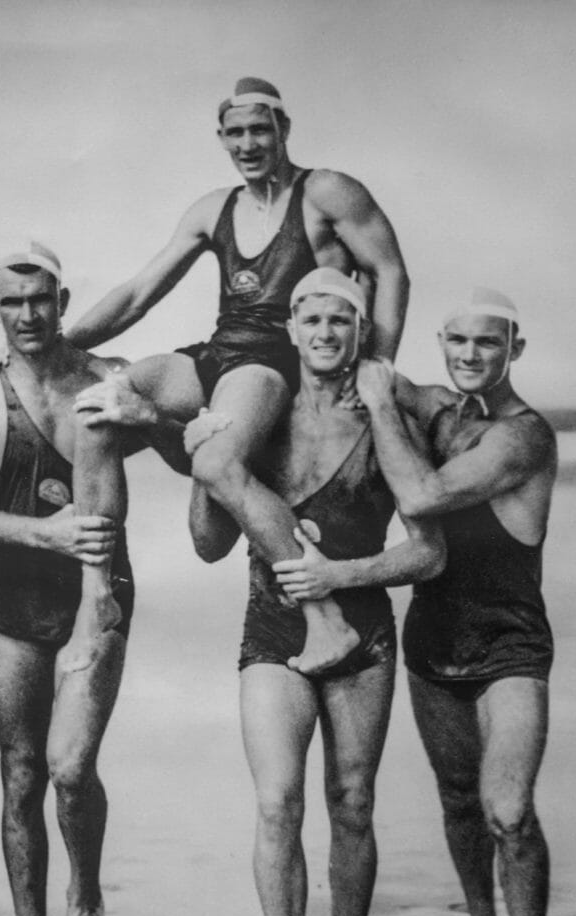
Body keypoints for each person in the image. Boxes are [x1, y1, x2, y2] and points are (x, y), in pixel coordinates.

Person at [68, 76, 408, 675]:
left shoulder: (326, 192)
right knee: (99, 406)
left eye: (260, 129)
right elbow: (139, 293)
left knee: (218, 466)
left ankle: (323, 617)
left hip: (274, 362)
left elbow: (390, 271)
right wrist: (59, 348)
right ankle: (95, 593)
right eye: (235, 133)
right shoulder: (212, 208)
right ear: (221, 138)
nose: (248, 143)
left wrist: (373, 370)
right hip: (220, 351)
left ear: (284, 130)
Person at [188, 268, 444, 916]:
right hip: (271, 627)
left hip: (362, 630)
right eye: (312, 320)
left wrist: (342, 574)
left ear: (360, 331)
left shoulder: (383, 418)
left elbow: (428, 551)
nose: (326, 334)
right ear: (290, 330)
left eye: (341, 321)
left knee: (354, 802)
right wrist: (205, 461)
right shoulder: (255, 417)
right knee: (276, 804)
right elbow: (205, 546)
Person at [0, 242, 186, 916]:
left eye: (39, 299)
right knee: (19, 775)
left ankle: (85, 895)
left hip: (100, 586)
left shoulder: (106, 379)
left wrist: (153, 416)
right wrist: (41, 532)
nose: (26, 315)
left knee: (69, 767)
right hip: (15, 590)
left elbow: (188, 454)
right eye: (10, 302)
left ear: (63, 301)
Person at [355, 288, 561, 916]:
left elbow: (422, 490)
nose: (471, 356)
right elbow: (370, 369)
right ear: (442, 343)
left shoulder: (524, 436)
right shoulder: (441, 407)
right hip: (433, 638)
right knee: (455, 800)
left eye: (488, 344)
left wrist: (382, 407)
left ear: (514, 350)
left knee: (507, 810)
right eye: (459, 343)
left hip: (509, 645)